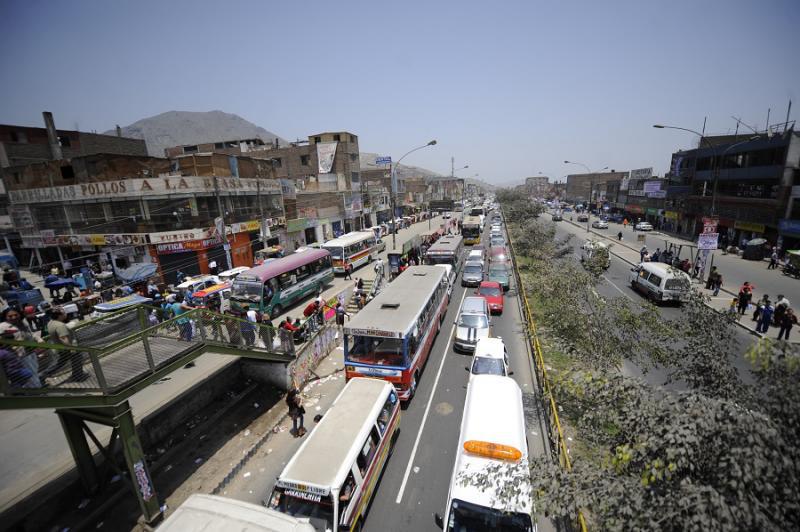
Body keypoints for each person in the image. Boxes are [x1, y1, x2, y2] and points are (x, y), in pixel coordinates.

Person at [45, 308, 89, 382]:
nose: (66, 314)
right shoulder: (60, 325)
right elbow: (63, 338)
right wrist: (72, 348)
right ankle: (78, 376)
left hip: (60, 348)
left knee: (61, 364)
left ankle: (77, 375)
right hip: (67, 349)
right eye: (64, 313)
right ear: (59, 316)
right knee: (76, 360)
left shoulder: (50, 323)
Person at [1, 308, 42, 387]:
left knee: (34, 371)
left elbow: (31, 333)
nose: (13, 317)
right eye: (10, 316)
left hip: (31, 352)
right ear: (5, 317)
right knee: (31, 374)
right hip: (19, 356)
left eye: (16, 315)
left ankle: (32, 390)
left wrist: (38, 339)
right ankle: (38, 391)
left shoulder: (23, 322)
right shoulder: (3, 326)